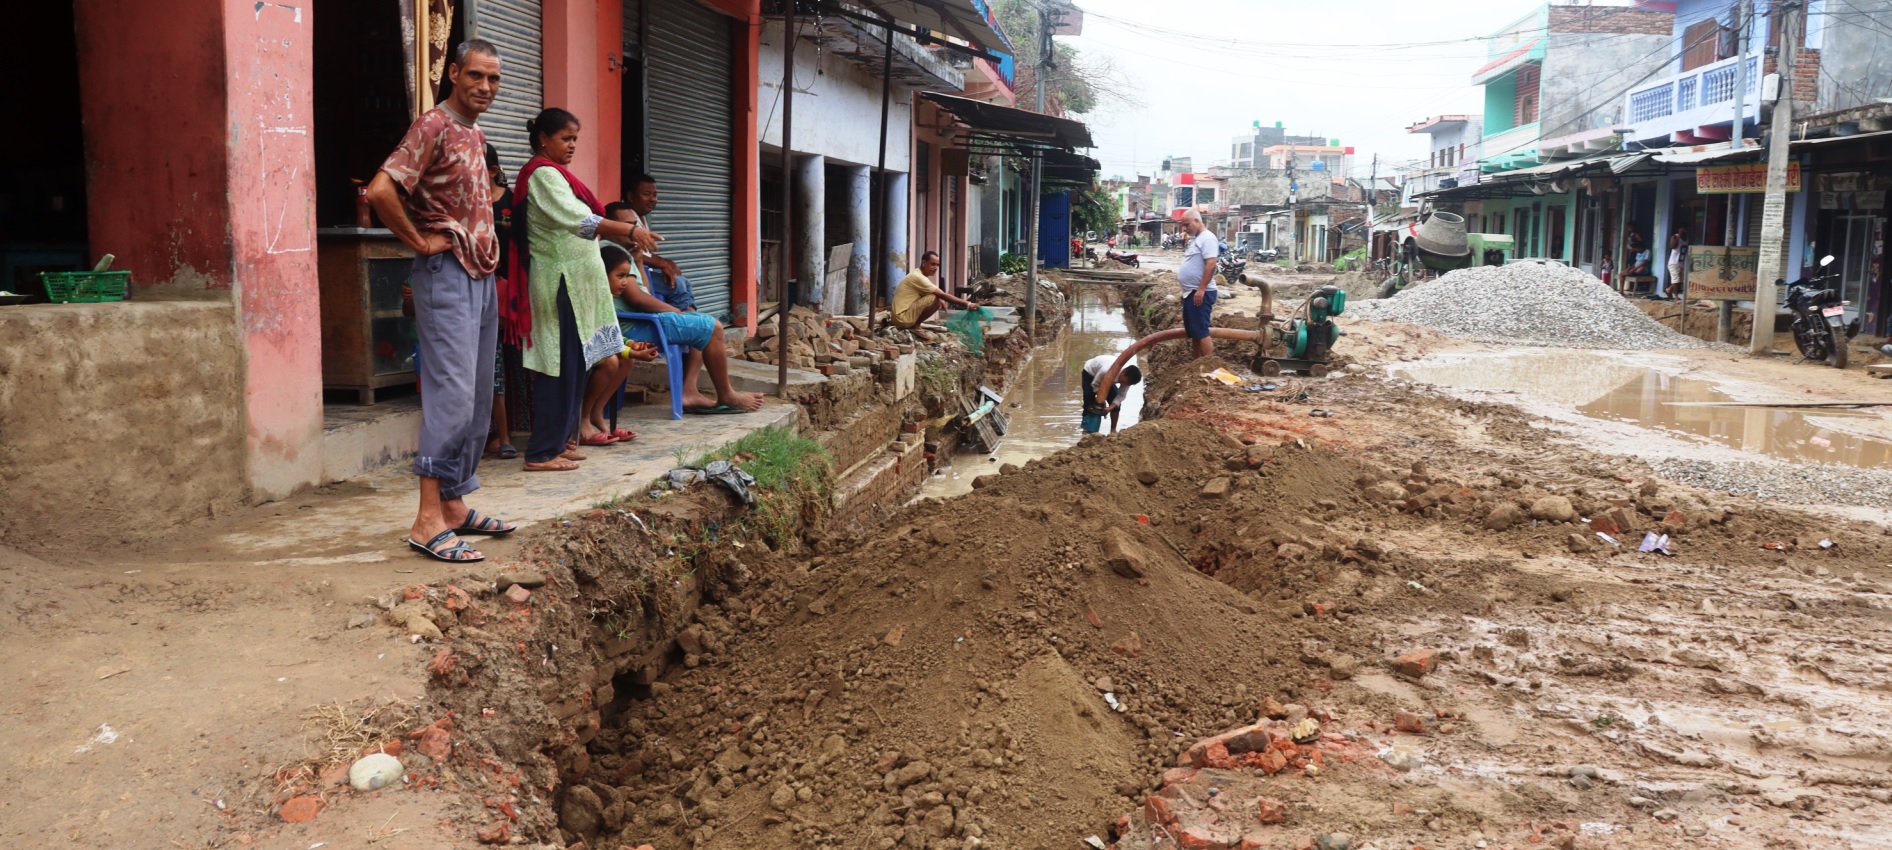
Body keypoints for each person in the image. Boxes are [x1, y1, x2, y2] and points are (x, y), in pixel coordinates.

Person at [367, 39, 516, 564]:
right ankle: (427, 519)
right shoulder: (432, 124)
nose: (485, 87)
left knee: (476, 396)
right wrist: (420, 240)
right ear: (453, 73)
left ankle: (454, 504)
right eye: (475, 76)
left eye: (494, 79)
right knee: (452, 395)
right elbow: (381, 190)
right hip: (444, 271)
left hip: (477, 272)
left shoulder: (473, 131)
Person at [504, 107, 658, 466]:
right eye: (566, 138)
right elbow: (580, 220)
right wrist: (631, 230)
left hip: (574, 287)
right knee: (558, 366)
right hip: (560, 285)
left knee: (573, 366)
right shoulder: (542, 175)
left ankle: (559, 442)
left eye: (576, 138)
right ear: (544, 139)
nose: (573, 145)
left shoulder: (557, 175)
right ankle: (542, 451)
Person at [604, 241, 765, 414]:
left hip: (642, 321)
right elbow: (638, 299)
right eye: (629, 224)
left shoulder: (625, 253)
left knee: (703, 322)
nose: (637, 231)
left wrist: (639, 262)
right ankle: (726, 395)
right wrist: (674, 311)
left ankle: (689, 391)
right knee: (713, 327)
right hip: (636, 325)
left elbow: (645, 292)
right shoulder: (610, 253)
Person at [484, 142, 519, 460]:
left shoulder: (512, 203)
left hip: (511, 292)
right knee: (490, 363)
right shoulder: (469, 204)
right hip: (482, 290)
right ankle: (495, 435)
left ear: (493, 171)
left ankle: (508, 433)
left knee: (508, 363)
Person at [617, 175, 697, 311]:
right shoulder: (627, 217)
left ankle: (691, 319)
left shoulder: (640, 217)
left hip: (644, 270)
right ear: (631, 197)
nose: (653, 199)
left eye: (655, 195)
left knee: (684, 282)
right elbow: (633, 250)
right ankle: (683, 322)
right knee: (678, 285)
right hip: (634, 273)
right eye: (646, 194)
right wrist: (662, 263)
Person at [890, 250, 977, 329]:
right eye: (933, 264)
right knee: (934, 297)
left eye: (937, 265)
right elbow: (942, 295)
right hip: (901, 319)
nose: (935, 268)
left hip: (901, 317)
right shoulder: (917, 277)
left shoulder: (919, 274)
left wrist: (941, 298)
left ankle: (915, 325)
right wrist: (967, 304)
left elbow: (938, 292)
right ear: (924, 263)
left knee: (936, 297)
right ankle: (915, 326)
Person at [1178, 209, 1220, 358]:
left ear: (1197, 221)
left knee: (1201, 331)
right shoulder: (1197, 239)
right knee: (1194, 332)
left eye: (1187, 224)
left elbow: (1211, 264)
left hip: (1201, 293)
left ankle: (1209, 365)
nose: (1185, 228)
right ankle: (1197, 365)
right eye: (1183, 225)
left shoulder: (1207, 238)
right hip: (1192, 293)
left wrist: (1201, 289)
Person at [1080, 354, 1142, 435]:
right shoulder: (1106, 370)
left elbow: (1120, 396)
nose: (1124, 384)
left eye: (1127, 384)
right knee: (1089, 403)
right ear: (1123, 372)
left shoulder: (1128, 380)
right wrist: (1101, 401)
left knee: (1116, 405)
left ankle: (1113, 430)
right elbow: (1095, 385)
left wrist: (1110, 408)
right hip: (1090, 373)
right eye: (1124, 381)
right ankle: (1086, 430)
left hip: (1109, 379)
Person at [1659, 227, 1688, 301]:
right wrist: (1679, 236)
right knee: (1675, 281)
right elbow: (1672, 246)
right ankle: (1676, 297)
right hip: (1674, 263)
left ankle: (1668, 290)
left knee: (1679, 281)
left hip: (1681, 263)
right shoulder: (1675, 236)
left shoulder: (1686, 239)